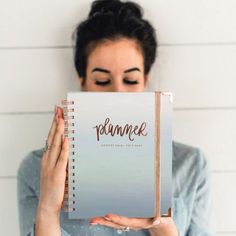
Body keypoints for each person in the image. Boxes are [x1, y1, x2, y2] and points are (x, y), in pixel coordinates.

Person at [17, 0, 214, 235]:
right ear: (82, 81)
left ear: (145, 80)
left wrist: (161, 223)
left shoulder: (191, 165)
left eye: (130, 80)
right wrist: (48, 209)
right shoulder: (36, 169)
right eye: (102, 81)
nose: (117, 93)